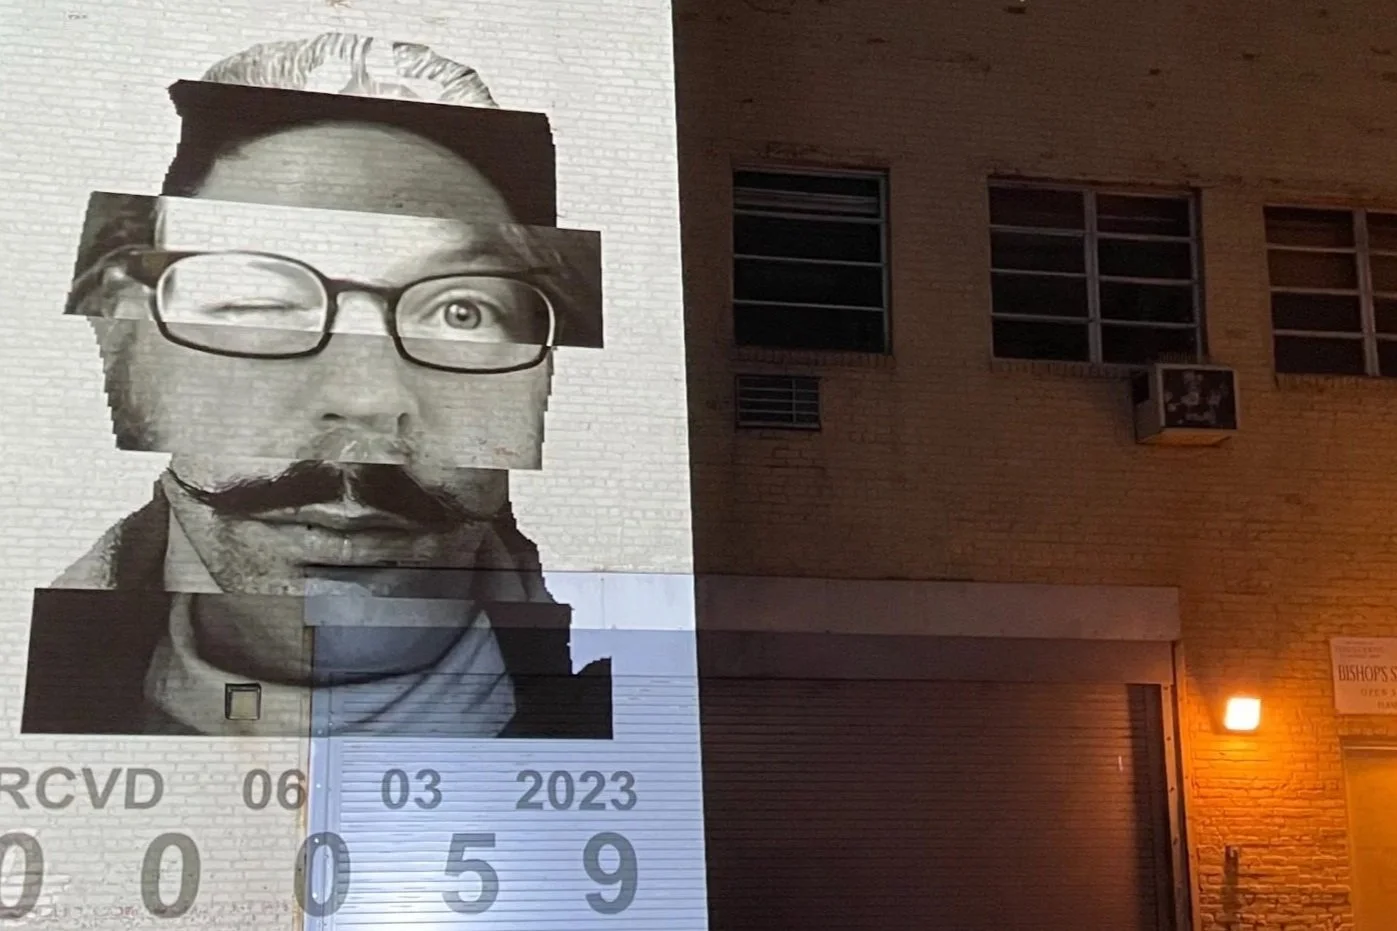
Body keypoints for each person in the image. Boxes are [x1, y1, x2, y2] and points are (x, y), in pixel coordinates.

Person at [20, 35, 611, 739]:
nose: (364, 404)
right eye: (257, 305)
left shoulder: (648, 698)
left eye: (461, 312)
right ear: (128, 342)